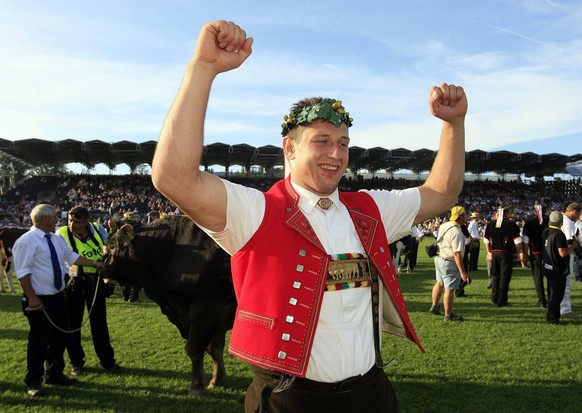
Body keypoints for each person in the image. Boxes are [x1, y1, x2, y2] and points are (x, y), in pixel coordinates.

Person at [151, 20, 467, 412]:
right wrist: (202, 67)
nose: (336, 154)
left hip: (371, 394)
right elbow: (173, 178)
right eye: (321, 142)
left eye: (343, 144)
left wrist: (453, 125)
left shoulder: (368, 209)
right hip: (290, 400)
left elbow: (441, 193)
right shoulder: (257, 211)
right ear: (289, 148)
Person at [12, 204, 105, 398]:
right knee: (39, 341)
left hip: (57, 296)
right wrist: (32, 297)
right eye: (54, 217)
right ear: (45, 219)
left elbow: (71, 256)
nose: (57, 220)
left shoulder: (55, 239)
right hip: (39, 299)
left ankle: (54, 373)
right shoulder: (26, 241)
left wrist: (95, 264)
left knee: (59, 339)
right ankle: (33, 381)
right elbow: (23, 272)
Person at [56, 206, 121, 376]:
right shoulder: (61, 233)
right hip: (73, 280)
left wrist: (107, 254)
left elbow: (107, 245)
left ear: (86, 221)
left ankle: (108, 361)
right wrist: (94, 262)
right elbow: (68, 256)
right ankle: (76, 362)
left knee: (99, 324)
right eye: (70, 221)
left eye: (77, 222)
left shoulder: (98, 229)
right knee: (73, 325)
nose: (72, 225)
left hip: (95, 281)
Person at [429, 206, 470, 321]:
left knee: (439, 283)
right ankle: (448, 314)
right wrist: (463, 273)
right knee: (449, 289)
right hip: (449, 261)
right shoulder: (457, 232)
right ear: (460, 216)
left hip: (439, 258)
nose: (466, 217)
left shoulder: (444, 225)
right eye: (464, 214)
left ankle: (435, 306)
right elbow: (457, 254)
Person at [542, 211, 578, 324]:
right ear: (560, 222)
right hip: (557, 268)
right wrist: (573, 247)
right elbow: (562, 253)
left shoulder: (545, 231)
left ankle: (550, 316)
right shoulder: (559, 234)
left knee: (551, 293)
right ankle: (553, 318)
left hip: (547, 265)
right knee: (556, 295)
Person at [484, 206, 523, 307]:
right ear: (508, 213)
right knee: (504, 277)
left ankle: (494, 297)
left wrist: (489, 252)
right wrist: (519, 253)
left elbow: (486, 240)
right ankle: (502, 300)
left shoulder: (490, 224)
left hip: (494, 253)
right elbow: (517, 241)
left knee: (495, 276)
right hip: (506, 253)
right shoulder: (510, 224)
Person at [522, 204, 549, 308]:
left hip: (535, 252)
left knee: (538, 277)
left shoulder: (529, 223)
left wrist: (525, 253)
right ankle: (551, 297)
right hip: (549, 252)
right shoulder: (549, 222)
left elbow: (526, 240)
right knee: (551, 276)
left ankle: (542, 299)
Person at [559, 203, 582, 317]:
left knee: (559, 283)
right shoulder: (568, 222)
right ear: (574, 211)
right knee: (567, 283)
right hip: (566, 255)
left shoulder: (562, 219)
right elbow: (569, 241)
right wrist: (576, 248)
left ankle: (559, 307)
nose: (578, 216)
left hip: (558, 255)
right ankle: (565, 310)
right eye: (578, 214)